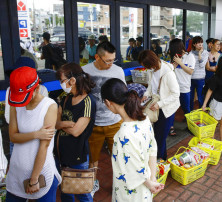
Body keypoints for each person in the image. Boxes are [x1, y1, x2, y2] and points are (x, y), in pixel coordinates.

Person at [101, 78, 164, 201]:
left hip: (131, 194)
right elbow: (152, 148)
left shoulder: (124, 134)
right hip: (146, 188)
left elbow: (133, 167)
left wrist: (150, 183)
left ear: (108, 103)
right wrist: (152, 179)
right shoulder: (144, 119)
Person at [6, 66, 61, 201]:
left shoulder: (49, 106)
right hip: (16, 172)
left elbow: (44, 146)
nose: (21, 102)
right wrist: (36, 134)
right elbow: (13, 136)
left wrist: (34, 179)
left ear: (36, 88)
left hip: (41, 174)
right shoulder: (15, 101)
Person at [82, 41, 126, 196]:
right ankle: (93, 183)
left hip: (115, 123)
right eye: (108, 61)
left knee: (119, 157)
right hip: (92, 124)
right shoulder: (84, 71)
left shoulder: (118, 71)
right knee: (92, 159)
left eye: (113, 60)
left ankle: (118, 185)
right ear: (97, 57)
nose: (111, 64)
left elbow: (123, 96)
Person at [55, 63, 96, 201]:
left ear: (72, 81)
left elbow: (76, 132)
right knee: (65, 189)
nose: (61, 84)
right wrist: (65, 123)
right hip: (61, 153)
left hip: (78, 155)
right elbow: (55, 123)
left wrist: (60, 125)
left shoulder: (88, 101)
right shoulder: (65, 98)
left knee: (82, 192)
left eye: (62, 81)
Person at [139, 50, 180, 160]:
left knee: (159, 138)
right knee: (158, 135)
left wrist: (160, 104)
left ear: (152, 63)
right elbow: (150, 86)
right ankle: (162, 160)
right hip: (157, 105)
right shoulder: (152, 70)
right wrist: (146, 95)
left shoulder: (168, 73)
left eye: (146, 66)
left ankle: (158, 161)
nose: (146, 69)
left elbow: (176, 94)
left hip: (167, 109)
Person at [4, 57, 48, 157]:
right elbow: (8, 116)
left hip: (36, 140)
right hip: (18, 138)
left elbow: (45, 117)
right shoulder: (10, 91)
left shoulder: (42, 90)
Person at [169, 38, 196, 135]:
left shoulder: (190, 57)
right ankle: (170, 127)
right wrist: (174, 65)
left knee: (186, 109)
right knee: (172, 108)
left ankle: (190, 126)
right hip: (173, 88)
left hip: (184, 87)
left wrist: (180, 62)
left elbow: (190, 71)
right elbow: (170, 71)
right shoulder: (174, 57)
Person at [190, 36, 209, 111]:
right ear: (194, 44)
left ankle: (202, 114)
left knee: (200, 98)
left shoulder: (205, 53)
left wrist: (200, 54)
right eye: (198, 43)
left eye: (201, 42)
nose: (200, 44)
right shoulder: (190, 53)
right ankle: (190, 114)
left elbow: (201, 65)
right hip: (191, 78)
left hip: (200, 78)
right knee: (191, 98)